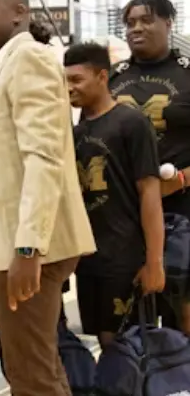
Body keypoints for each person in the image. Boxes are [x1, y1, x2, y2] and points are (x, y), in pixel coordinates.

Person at [0, 0, 95, 395]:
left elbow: (43, 157)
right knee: (36, 364)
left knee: (30, 373)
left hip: (30, 246)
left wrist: (28, 247)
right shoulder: (5, 65)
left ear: (19, 13)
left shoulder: (30, 58)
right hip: (12, 242)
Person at [65, 42, 165, 349]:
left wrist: (154, 261)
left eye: (76, 80)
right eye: (64, 81)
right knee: (103, 342)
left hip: (124, 257)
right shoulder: (75, 130)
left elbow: (150, 193)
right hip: (88, 258)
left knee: (126, 349)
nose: (69, 88)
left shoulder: (131, 123)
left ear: (102, 76)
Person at [108, 0, 190, 333]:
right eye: (130, 23)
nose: (136, 28)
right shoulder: (111, 78)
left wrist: (181, 179)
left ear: (169, 23)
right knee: (126, 320)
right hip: (124, 214)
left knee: (181, 314)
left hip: (182, 210)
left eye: (146, 20)